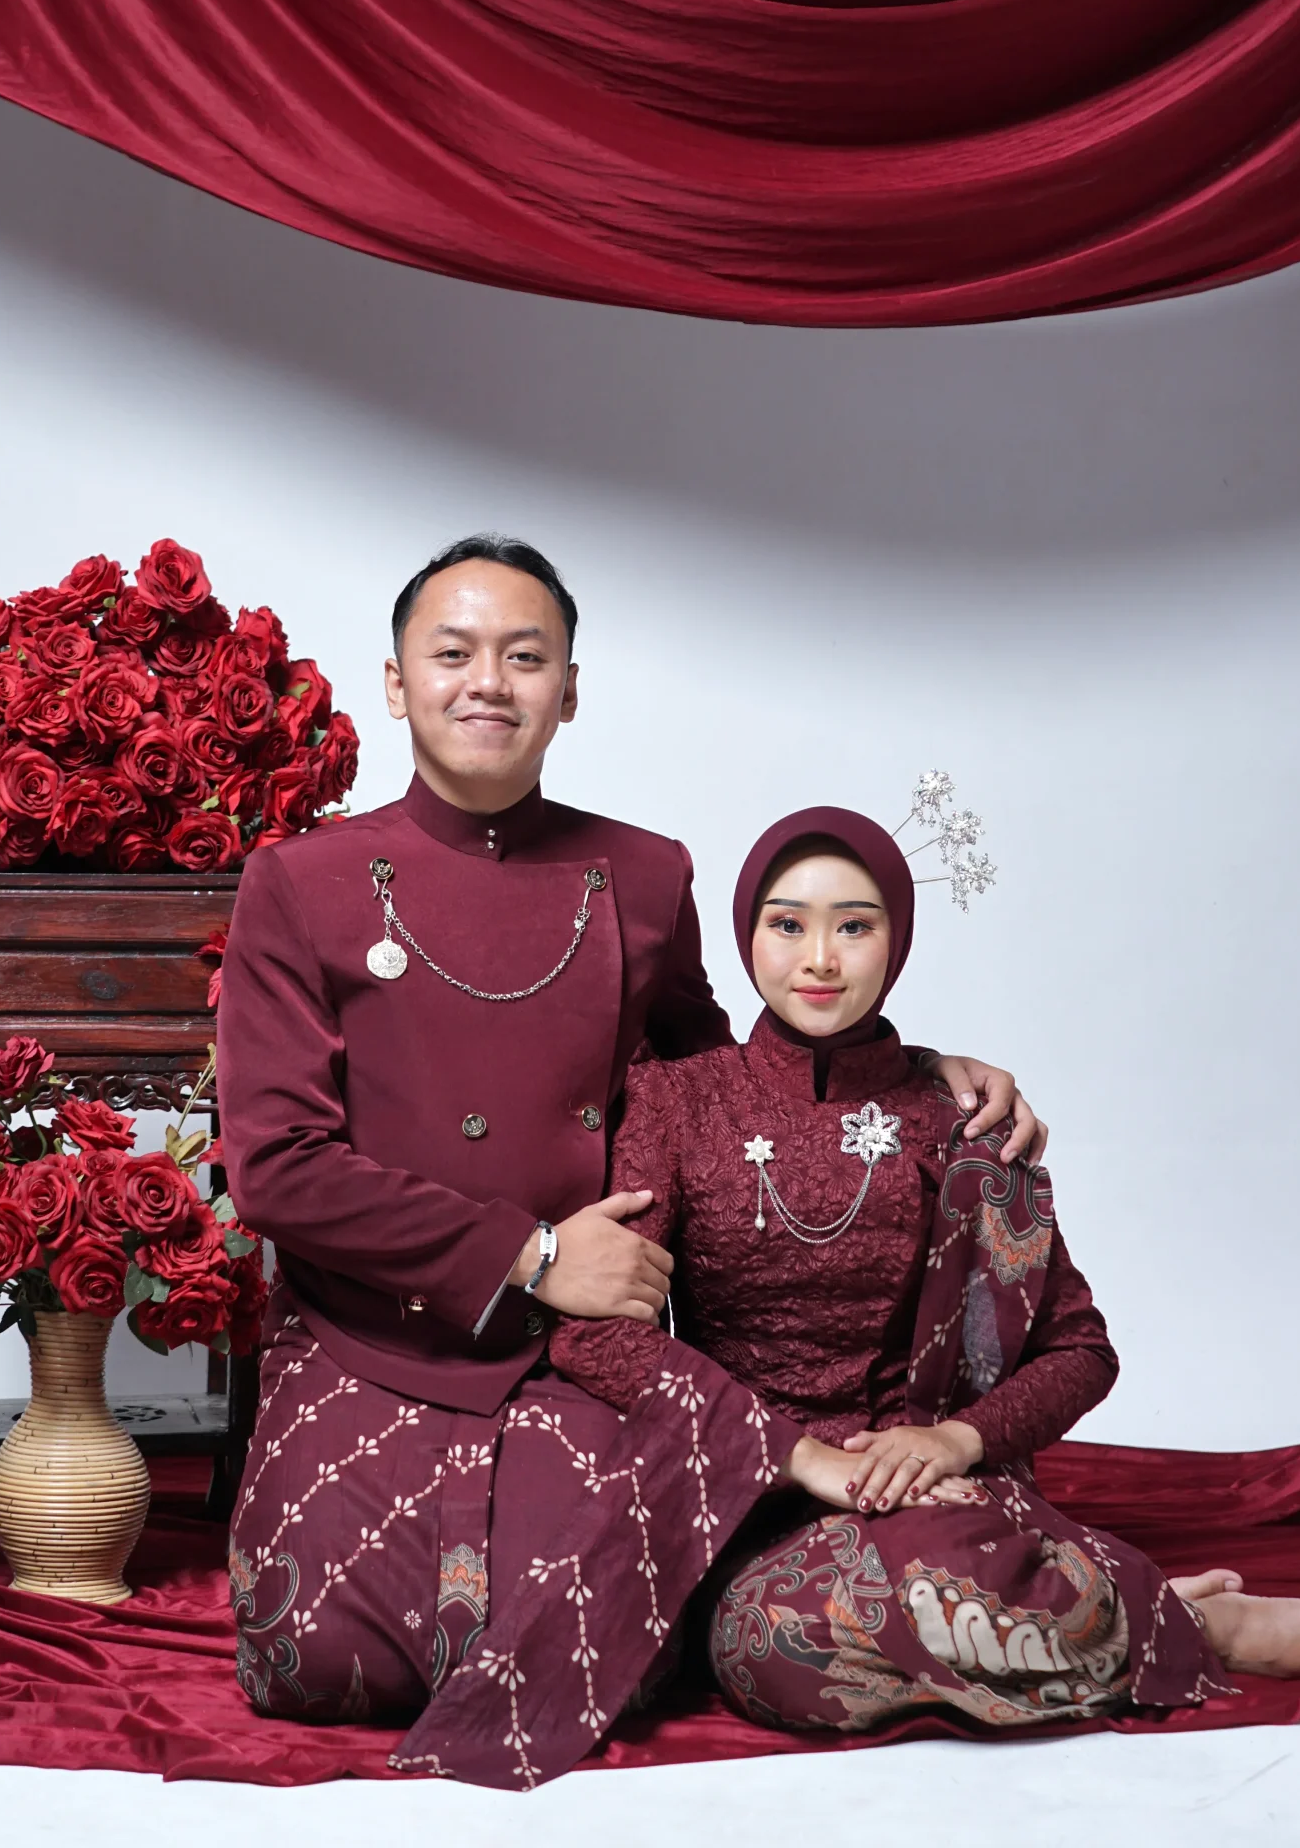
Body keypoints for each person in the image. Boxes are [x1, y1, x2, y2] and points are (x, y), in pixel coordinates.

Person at [400, 806, 1300, 1790]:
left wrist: (952, 1443)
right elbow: (598, 1338)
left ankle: (1191, 1623)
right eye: (787, 924)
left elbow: (1079, 1350)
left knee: (930, 1585)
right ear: (747, 935)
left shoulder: (959, 1117)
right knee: (769, 1650)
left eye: (854, 925)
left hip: (931, 1489)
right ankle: (1144, 1615)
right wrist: (787, 1452)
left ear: (899, 939)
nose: (819, 959)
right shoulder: (677, 1100)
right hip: (748, 1490)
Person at [219, 538, 1039, 1726]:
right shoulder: (299, 883)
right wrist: (533, 1251)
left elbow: (727, 1085)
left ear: (569, 690)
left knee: (620, 1644)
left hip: (575, 1350)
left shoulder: (644, 874)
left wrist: (914, 1072)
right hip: (365, 1335)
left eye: (525, 656)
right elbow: (277, 1171)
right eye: (452, 653)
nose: (487, 681)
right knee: (321, 1661)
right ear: (396, 682)